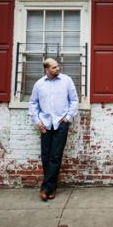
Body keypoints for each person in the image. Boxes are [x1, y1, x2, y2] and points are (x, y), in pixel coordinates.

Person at [28, 58, 78, 201]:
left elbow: (74, 100)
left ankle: (46, 188)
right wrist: (37, 121)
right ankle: (51, 188)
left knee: (55, 156)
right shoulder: (39, 84)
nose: (58, 69)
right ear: (47, 69)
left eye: (58, 66)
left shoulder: (66, 81)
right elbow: (33, 103)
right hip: (45, 124)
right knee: (46, 156)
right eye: (54, 67)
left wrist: (68, 117)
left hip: (61, 123)